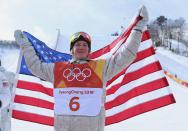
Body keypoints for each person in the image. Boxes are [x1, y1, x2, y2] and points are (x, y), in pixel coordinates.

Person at [14, 5, 148, 131]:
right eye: (77, 45)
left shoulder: (100, 67)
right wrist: (26, 46)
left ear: (89, 50)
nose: (81, 47)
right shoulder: (58, 69)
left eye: (85, 45)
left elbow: (126, 55)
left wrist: (137, 29)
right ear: (71, 50)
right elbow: (35, 67)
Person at [0, 60, 15, 131]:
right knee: (5, 122)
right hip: (7, 106)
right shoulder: (11, 75)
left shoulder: (5, 76)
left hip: (4, 104)